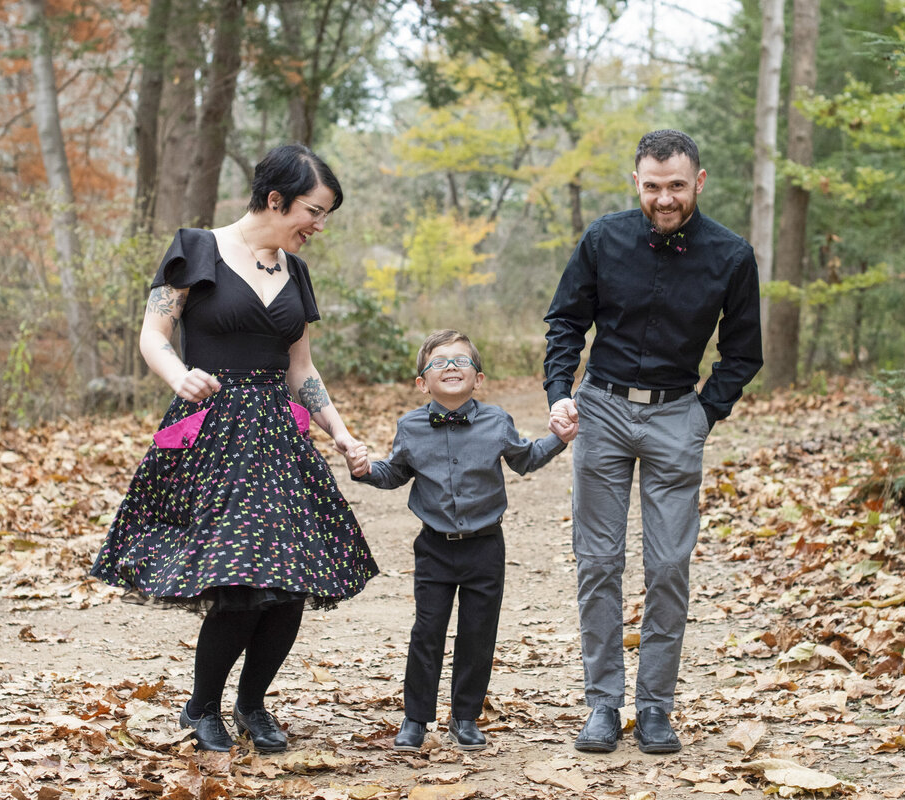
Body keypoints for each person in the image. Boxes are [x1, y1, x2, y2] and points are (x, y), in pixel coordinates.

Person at [90, 144, 378, 753]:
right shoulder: (195, 249)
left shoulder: (295, 272)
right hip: (214, 430)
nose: (318, 227)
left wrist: (342, 432)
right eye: (313, 211)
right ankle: (202, 706)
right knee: (241, 580)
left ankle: (252, 704)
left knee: (292, 579)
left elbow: (302, 368)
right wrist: (178, 376)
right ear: (275, 200)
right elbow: (153, 333)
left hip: (279, 433)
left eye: (325, 215)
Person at [544, 129, 762, 754]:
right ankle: (603, 706)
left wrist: (703, 414)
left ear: (698, 181)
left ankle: (656, 707)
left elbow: (744, 350)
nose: (664, 199)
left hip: (676, 416)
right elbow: (565, 321)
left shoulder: (731, 255)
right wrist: (561, 390)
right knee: (599, 562)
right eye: (652, 186)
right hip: (603, 409)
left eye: (675, 186)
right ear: (635, 182)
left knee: (668, 566)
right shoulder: (603, 238)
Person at [344, 330, 575, 753]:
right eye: (439, 362)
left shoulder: (497, 421)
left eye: (460, 361)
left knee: (478, 632)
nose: (450, 367)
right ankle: (416, 719)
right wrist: (364, 470)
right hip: (434, 547)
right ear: (422, 383)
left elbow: (525, 459)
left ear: (479, 378)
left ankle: (465, 718)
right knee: (427, 631)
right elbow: (394, 473)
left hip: (486, 547)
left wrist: (558, 438)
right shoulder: (410, 427)